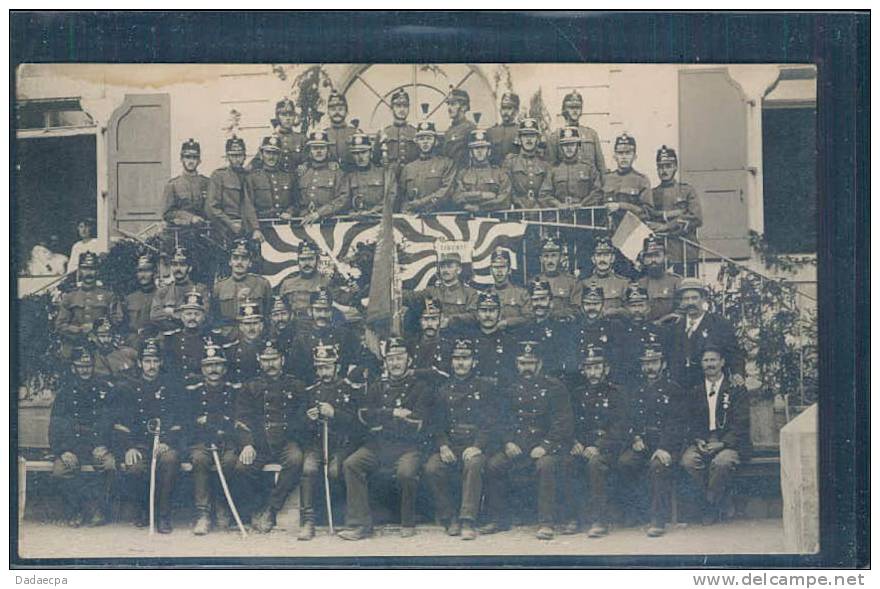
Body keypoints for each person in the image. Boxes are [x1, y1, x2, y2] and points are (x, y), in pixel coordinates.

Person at [339, 337, 432, 540]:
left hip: (407, 448)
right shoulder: (377, 387)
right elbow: (364, 416)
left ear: (409, 360)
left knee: (406, 472)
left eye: (400, 358)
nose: (395, 364)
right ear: (385, 362)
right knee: (351, 464)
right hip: (378, 447)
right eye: (391, 359)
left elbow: (416, 424)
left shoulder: (420, 388)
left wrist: (381, 419)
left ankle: (408, 521)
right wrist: (393, 413)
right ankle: (360, 525)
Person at [480, 340, 573, 540]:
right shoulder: (509, 388)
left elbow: (562, 422)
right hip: (518, 445)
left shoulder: (554, 387)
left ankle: (546, 522)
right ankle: (498, 519)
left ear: (539, 363)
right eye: (522, 363)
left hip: (545, 446)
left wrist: (546, 446)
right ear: (516, 364)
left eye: (530, 363)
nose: (526, 368)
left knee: (545, 466)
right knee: (494, 464)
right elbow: (500, 419)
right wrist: (507, 442)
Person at [233, 340, 309, 533]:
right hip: (260, 442)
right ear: (259, 361)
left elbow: (303, 417)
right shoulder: (250, 387)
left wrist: (295, 436)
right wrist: (247, 444)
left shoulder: (296, 385)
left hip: (287, 439)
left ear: (282, 359)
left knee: (295, 459)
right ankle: (257, 505)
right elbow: (242, 418)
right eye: (266, 360)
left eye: (274, 359)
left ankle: (271, 508)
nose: (270, 364)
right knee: (243, 467)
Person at [424, 338, 497, 540]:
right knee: (432, 467)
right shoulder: (443, 390)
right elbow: (437, 424)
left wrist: (478, 446)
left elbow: (490, 423)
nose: (460, 363)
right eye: (456, 358)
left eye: (465, 358)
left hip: (475, 445)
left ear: (473, 361)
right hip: (452, 444)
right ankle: (450, 518)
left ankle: (467, 520)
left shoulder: (485, 388)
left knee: (473, 465)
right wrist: (443, 446)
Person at [115, 338, 186, 533]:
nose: (151, 366)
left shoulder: (172, 388)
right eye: (147, 361)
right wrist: (128, 447)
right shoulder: (128, 388)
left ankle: (163, 515)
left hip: (163, 443)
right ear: (139, 363)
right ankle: (145, 510)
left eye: (155, 361)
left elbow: (179, 421)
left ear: (161, 362)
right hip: (139, 444)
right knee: (135, 468)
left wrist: (167, 442)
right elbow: (121, 423)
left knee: (170, 460)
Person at [616, 341, 686, 537]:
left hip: (667, 443)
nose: (650, 368)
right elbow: (628, 419)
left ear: (663, 364)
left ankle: (658, 519)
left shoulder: (673, 389)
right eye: (646, 363)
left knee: (658, 465)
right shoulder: (636, 391)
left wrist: (664, 447)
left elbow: (677, 423)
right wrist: (635, 438)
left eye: (654, 362)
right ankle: (636, 511)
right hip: (644, 442)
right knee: (625, 462)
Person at [299, 342, 364, 541]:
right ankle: (308, 521)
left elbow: (358, 425)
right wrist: (308, 419)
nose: (323, 372)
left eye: (327, 366)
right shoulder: (310, 391)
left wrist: (334, 413)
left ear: (336, 366)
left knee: (335, 471)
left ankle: (341, 516)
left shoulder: (350, 389)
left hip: (343, 444)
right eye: (319, 367)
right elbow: (299, 427)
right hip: (317, 444)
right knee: (309, 469)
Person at [680, 345, 752, 525]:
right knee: (688, 461)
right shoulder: (695, 391)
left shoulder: (736, 389)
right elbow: (690, 422)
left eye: (713, 360)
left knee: (722, 463)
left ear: (722, 362)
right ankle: (718, 501)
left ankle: (709, 505)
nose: (709, 364)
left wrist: (723, 443)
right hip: (703, 441)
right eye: (706, 360)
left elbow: (741, 424)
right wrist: (698, 440)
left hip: (729, 443)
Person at [561, 344, 626, 537]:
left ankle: (599, 520)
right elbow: (570, 422)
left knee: (595, 464)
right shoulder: (577, 394)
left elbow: (620, 427)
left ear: (606, 369)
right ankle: (573, 517)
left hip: (609, 447)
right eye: (589, 368)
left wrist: (598, 446)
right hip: (583, 446)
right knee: (567, 462)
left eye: (597, 367)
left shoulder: (616, 393)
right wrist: (574, 442)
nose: (593, 373)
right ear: (583, 370)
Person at [49, 346, 118, 527]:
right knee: (60, 471)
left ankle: (98, 509)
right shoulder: (65, 393)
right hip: (73, 445)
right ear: (73, 367)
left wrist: (105, 446)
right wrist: (63, 451)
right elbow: (56, 424)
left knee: (109, 465)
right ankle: (76, 509)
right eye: (80, 366)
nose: (85, 370)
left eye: (88, 365)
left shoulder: (104, 389)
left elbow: (110, 420)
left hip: (97, 444)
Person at [186, 340, 241, 535]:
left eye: (217, 364)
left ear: (224, 368)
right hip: (201, 442)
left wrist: (212, 420)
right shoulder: (193, 393)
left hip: (227, 441)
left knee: (229, 462)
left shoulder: (234, 391)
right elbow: (189, 422)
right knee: (200, 460)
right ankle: (203, 514)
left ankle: (222, 506)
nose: (213, 369)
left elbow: (237, 419)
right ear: (202, 369)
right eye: (209, 365)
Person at [667, 278, 744, 391]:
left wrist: (737, 373)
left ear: (703, 299)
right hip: (681, 388)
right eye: (686, 299)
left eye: (694, 298)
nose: (690, 303)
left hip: (710, 386)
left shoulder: (719, 324)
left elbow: (734, 354)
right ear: (681, 302)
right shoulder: (674, 327)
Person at [648, 146, 703, 275]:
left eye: (668, 166)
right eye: (660, 167)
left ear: (675, 167)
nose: (664, 170)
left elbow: (696, 218)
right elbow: (649, 219)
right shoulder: (652, 194)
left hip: (685, 251)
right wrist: (677, 214)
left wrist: (665, 226)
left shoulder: (687, 191)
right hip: (661, 253)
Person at [55, 252, 123, 355]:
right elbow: (60, 325)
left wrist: (99, 327)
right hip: (76, 346)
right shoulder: (70, 296)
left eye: (92, 269)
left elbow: (117, 320)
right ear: (80, 271)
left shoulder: (108, 295)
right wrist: (79, 329)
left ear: (97, 271)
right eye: (85, 269)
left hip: (101, 347)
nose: (89, 273)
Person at [612, 283, 670, 391]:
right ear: (626, 307)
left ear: (648, 307)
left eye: (640, 305)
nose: (637, 310)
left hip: (654, 387)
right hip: (628, 387)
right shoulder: (619, 333)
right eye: (633, 306)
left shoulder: (659, 331)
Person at [206, 136, 262, 244]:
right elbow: (211, 207)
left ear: (245, 156)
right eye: (233, 155)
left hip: (246, 228)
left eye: (240, 155)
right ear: (227, 157)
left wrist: (256, 228)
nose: (237, 159)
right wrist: (231, 224)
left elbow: (249, 205)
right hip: (224, 229)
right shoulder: (219, 176)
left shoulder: (248, 176)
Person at [455, 291, 517, 387]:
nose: (487, 315)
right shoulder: (467, 339)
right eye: (483, 310)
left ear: (499, 314)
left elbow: (512, 376)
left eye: (492, 310)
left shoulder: (509, 341)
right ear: (477, 314)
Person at [162, 288, 224, 383]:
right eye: (188, 314)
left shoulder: (213, 337)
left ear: (203, 317)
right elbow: (168, 368)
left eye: (197, 314)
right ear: (181, 316)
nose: (192, 318)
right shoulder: (171, 338)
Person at [515, 278, 572, 378]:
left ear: (550, 302)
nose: (539, 304)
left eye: (543, 299)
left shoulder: (561, 330)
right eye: (535, 300)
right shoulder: (524, 331)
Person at [547, 90, 607, 180]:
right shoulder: (556, 137)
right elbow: (552, 167)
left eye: (578, 107)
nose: (575, 111)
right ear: (564, 110)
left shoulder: (591, 134)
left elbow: (601, 165)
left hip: (591, 184)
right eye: (571, 108)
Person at [398, 121, 456, 214]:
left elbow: (446, 191)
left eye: (429, 138)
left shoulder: (446, 164)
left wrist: (422, 203)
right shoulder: (408, 168)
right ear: (416, 142)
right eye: (421, 139)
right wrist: (406, 208)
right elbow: (402, 196)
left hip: (438, 215)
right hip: (413, 217)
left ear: (436, 141)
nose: (425, 142)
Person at [212, 237, 273, 327]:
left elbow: (268, 315)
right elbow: (216, 317)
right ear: (230, 262)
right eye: (235, 258)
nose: (239, 262)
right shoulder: (219, 287)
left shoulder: (262, 284)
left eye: (244, 259)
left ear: (250, 263)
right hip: (229, 336)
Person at [149, 246, 211, 332]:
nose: (178, 269)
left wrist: (170, 313)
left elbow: (205, 315)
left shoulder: (200, 290)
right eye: (174, 265)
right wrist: (180, 314)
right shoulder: (163, 291)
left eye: (182, 265)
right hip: (169, 338)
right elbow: (154, 316)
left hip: (194, 336)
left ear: (190, 268)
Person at [539, 127, 604, 208]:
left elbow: (598, 191)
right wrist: (558, 204)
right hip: (561, 215)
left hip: (584, 214)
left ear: (578, 146)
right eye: (565, 145)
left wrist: (583, 204)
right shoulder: (554, 170)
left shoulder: (588, 168)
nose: (569, 148)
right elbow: (544, 195)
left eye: (572, 144)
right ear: (561, 147)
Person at [335, 132, 397, 216]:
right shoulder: (349, 177)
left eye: (364, 152)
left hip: (380, 218)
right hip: (357, 220)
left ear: (370, 152)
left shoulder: (384, 173)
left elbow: (390, 197)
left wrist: (372, 211)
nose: (360, 157)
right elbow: (342, 201)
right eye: (356, 153)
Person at [451, 129, 512, 212]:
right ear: (470, 152)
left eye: (483, 148)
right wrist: (483, 195)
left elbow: (504, 200)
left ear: (489, 151)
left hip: (495, 220)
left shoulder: (499, 174)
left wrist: (479, 208)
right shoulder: (463, 174)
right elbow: (457, 197)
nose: (480, 151)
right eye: (476, 148)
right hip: (468, 220)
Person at [602, 133, 653, 226]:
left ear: (634, 156)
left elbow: (647, 212)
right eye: (620, 153)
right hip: (607, 231)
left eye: (628, 153)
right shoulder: (606, 179)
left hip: (631, 231)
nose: (624, 157)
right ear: (615, 156)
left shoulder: (641, 181)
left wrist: (621, 206)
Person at [297, 131, 346, 222]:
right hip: (303, 221)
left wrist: (320, 213)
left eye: (322, 148)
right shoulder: (302, 172)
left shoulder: (337, 173)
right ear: (310, 151)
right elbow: (294, 199)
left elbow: (342, 199)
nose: (319, 151)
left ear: (327, 150)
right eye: (315, 148)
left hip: (329, 222)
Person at [421, 251, 479, 328]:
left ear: (459, 270)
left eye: (449, 266)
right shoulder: (431, 291)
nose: (445, 270)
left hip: (460, 335)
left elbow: (474, 316)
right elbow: (411, 297)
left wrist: (450, 320)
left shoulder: (470, 293)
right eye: (442, 267)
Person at [249, 98, 306, 174]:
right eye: (284, 115)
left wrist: (305, 165)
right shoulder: (271, 139)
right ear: (278, 117)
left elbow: (309, 160)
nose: (288, 118)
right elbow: (256, 161)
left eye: (291, 115)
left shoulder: (301, 139)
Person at [502, 118, 550, 209]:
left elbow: (547, 190)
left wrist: (538, 204)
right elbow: (507, 188)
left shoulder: (544, 164)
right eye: (525, 136)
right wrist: (518, 202)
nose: (529, 139)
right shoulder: (511, 162)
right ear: (519, 139)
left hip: (540, 210)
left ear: (537, 139)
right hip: (517, 210)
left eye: (532, 136)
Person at [163, 139, 210, 227]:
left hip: (205, 231)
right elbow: (167, 213)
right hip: (180, 232)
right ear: (181, 159)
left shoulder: (207, 183)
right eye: (187, 157)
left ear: (199, 161)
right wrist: (190, 218)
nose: (191, 161)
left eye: (194, 157)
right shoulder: (173, 185)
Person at [248, 136, 298, 220]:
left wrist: (289, 212)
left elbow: (297, 202)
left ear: (280, 155)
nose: (271, 157)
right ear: (261, 154)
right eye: (268, 152)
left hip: (285, 225)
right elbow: (249, 206)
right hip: (262, 224)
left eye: (275, 153)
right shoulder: (253, 177)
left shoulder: (289, 176)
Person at [278, 240, 331, 318]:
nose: (307, 263)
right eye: (302, 259)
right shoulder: (287, 284)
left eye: (310, 259)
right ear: (298, 262)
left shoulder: (326, 282)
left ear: (317, 260)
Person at [406, 296, 453, 383]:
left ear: (441, 319)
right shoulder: (410, 345)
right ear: (420, 321)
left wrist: (414, 372)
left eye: (434, 319)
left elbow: (444, 375)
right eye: (426, 319)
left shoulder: (448, 345)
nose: (430, 324)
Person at [534, 236, 581, 321]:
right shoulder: (534, 282)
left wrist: (558, 314)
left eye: (554, 256)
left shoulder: (572, 282)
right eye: (546, 256)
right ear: (541, 259)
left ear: (561, 258)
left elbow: (577, 309)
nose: (550, 261)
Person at [638, 235, 682, 323]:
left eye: (657, 255)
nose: (653, 260)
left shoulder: (675, 281)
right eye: (649, 256)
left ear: (665, 257)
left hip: (669, 327)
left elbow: (681, 309)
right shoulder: (639, 283)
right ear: (643, 259)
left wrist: (663, 320)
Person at [582, 236, 629, 317]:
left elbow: (630, 310)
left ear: (612, 258)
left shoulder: (624, 283)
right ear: (593, 259)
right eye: (599, 255)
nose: (602, 259)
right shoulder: (584, 283)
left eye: (606, 255)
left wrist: (615, 312)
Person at [484, 247, 530, 330]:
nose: (499, 271)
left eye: (503, 267)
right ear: (490, 270)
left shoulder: (521, 294)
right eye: (496, 267)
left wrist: (508, 322)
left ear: (509, 270)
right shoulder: (485, 295)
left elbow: (529, 317)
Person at [225, 299, 268, 385]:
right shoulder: (230, 350)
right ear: (241, 327)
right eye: (247, 324)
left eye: (255, 323)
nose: (251, 328)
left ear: (261, 326)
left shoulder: (268, 348)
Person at [377, 88, 419, 176]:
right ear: (392, 108)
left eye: (405, 106)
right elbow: (376, 160)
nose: (402, 109)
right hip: (390, 176)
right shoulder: (384, 133)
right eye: (398, 106)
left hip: (411, 175)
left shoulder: (415, 132)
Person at [123, 254, 158, 344]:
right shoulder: (129, 299)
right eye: (140, 271)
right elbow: (123, 327)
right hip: (133, 344)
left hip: (155, 344)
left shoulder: (162, 296)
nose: (143, 275)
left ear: (154, 272)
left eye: (147, 270)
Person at [442, 88, 476, 168]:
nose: (449, 108)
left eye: (453, 104)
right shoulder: (449, 131)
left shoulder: (470, 128)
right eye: (448, 104)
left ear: (464, 107)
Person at [324, 90, 357, 170]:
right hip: (330, 176)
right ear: (328, 112)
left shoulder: (354, 133)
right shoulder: (324, 134)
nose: (337, 112)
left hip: (351, 175)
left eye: (340, 109)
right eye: (333, 109)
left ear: (346, 112)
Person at [487, 92, 521, 166]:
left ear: (516, 111)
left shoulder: (521, 131)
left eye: (509, 108)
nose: (505, 112)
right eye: (503, 108)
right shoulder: (491, 132)